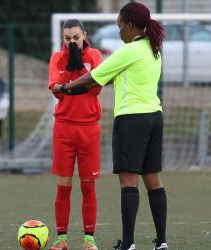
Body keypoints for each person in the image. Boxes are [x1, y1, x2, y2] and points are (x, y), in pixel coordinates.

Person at [53, 2, 168, 250]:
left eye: (119, 26)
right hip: (154, 118)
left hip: (131, 119)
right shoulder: (154, 48)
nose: (118, 32)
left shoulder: (129, 50)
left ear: (128, 25)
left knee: (129, 181)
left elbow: (93, 77)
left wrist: (65, 88)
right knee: (154, 181)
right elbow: (105, 79)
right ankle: (161, 242)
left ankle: (128, 243)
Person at [48, 19, 103, 250]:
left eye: (76, 38)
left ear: (84, 35)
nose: (71, 42)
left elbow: (97, 87)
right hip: (64, 128)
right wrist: (71, 68)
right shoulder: (57, 58)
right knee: (64, 185)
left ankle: (89, 240)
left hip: (89, 128)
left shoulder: (95, 56)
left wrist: (79, 66)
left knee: (88, 185)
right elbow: (57, 91)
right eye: (67, 38)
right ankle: (61, 239)